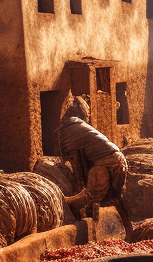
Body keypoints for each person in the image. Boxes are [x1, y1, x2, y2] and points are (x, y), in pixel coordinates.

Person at [57, 96, 133, 235]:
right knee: (116, 196)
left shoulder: (69, 132)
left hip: (105, 162)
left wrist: (81, 183)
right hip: (119, 158)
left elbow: (77, 162)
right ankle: (129, 230)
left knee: (88, 195)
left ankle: (82, 224)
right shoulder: (81, 127)